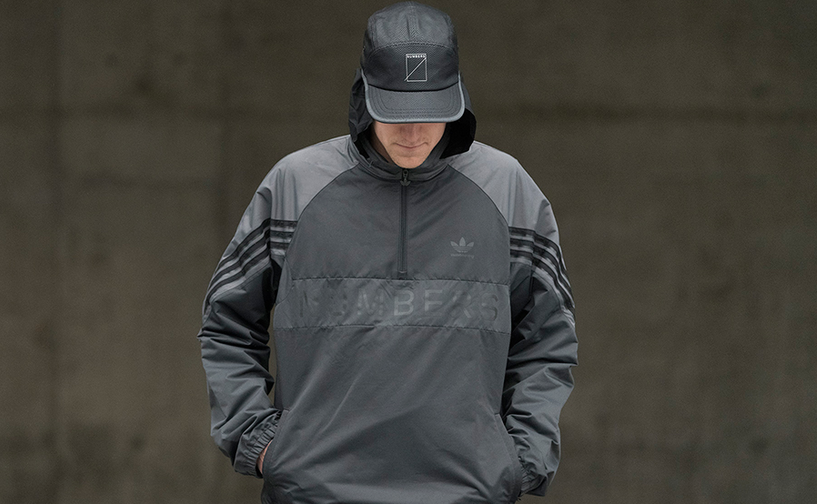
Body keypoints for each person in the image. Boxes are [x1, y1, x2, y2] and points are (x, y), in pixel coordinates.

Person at [198, 2, 578, 503]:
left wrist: (521, 458)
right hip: (315, 492)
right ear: (365, 95)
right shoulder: (295, 186)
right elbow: (226, 323)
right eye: (396, 113)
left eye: (430, 113)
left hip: (465, 492)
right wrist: (261, 441)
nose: (413, 133)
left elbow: (548, 336)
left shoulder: (509, 191)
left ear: (457, 97)